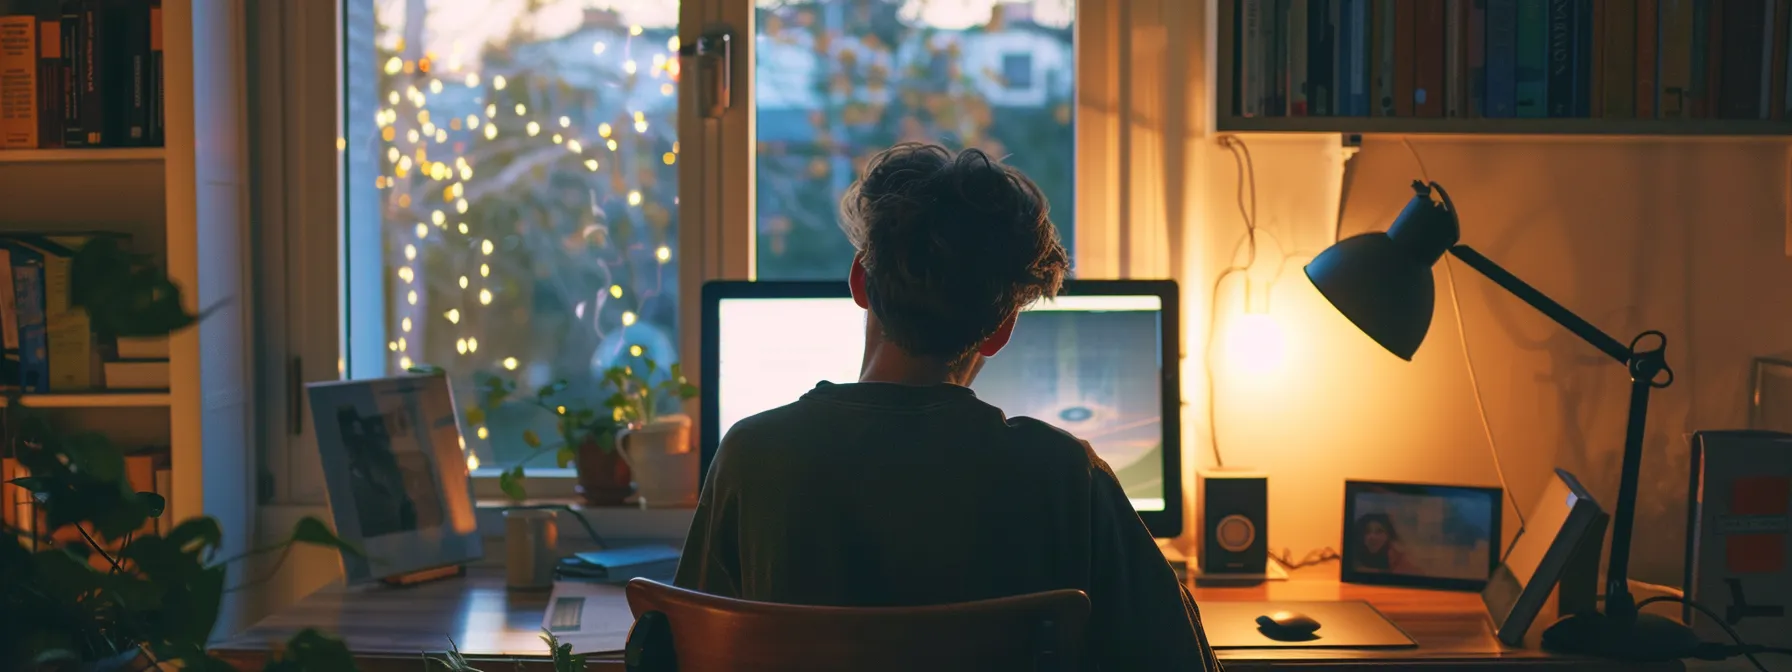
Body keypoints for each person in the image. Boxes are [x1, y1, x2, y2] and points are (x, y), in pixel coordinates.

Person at [675, 143, 1219, 670]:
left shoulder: (752, 457)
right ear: (1001, 330)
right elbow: (1177, 656)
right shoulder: (1065, 476)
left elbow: (684, 646)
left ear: (861, 281)